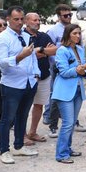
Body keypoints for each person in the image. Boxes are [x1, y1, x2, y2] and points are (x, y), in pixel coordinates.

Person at [0, 6, 42, 164]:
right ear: (8, 19)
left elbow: (32, 57)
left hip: (29, 82)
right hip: (12, 84)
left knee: (23, 115)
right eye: (16, 19)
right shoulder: (3, 38)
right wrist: (19, 56)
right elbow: (2, 63)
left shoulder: (26, 36)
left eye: (22, 19)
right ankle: (4, 150)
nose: (20, 22)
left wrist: (36, 73)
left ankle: (19, 145)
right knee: (7, 118)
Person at [50, 23, 86, 163]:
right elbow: (63, 72)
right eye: (75, 33)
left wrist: (83, 70)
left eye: (79, 33)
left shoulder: (80, 49)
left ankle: (67, 148)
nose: (78, 36)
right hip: (64, 90)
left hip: (78, 89)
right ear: (68, 35)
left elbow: (83, 70)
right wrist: (79, 69)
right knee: (68, 122)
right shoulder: (62, 50)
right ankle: (61, 154)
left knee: (72, 122)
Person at [22, 12, 58, 145]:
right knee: (24, 106)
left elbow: (54, 50)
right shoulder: (22, 37)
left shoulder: (44, 36)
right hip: (27, 77)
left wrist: (39, 51)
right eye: (34, 20)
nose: (37, 22)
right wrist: (43, 52)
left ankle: (32, 131)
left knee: (39, 105)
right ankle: (22, 134)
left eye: (38, 20)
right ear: (26, 21)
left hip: (44, 76)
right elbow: (24, 56)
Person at [41, 4, 77, 135]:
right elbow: (48, 50)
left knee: (73, 93)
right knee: (55, 94)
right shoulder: (53, 31)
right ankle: (52, 122)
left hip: (73, 67)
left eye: (70, 15)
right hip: (57, 67)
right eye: (65, 15)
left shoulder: (74, 29)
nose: (68, 17)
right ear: (58, 16)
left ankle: (73, 120)